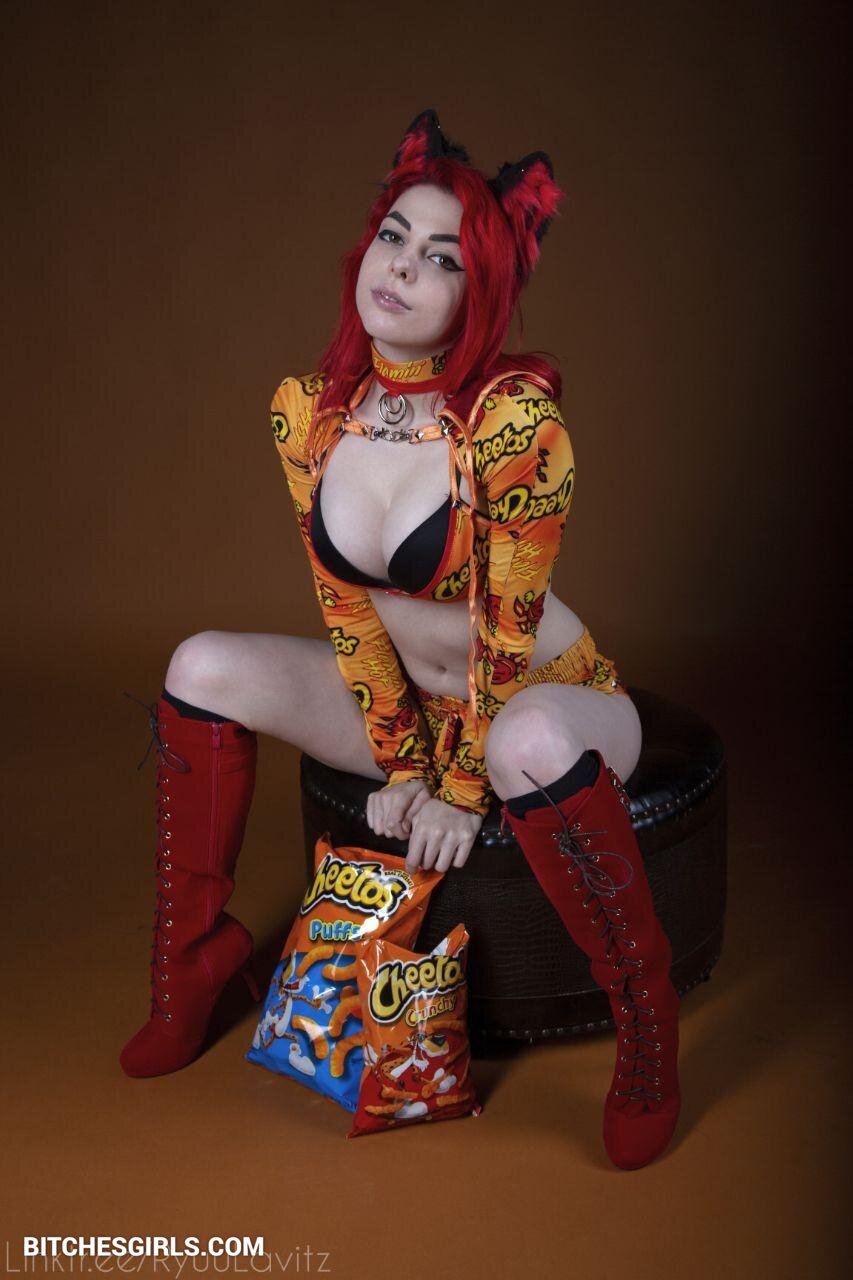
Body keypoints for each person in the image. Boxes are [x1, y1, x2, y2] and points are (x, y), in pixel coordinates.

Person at [120, 109, 681, 1171]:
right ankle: (190, 965)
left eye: (443, 258)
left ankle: (645, 1020)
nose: (404, 266)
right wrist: (402, 764)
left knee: (522, 740)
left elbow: (506, 633)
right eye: (393, 236)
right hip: (415, 712)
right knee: (198, 663)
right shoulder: (310, 414)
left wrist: (455, 788)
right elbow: (346, 613)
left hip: (547, 702)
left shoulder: (511, 425)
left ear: (479, 295)